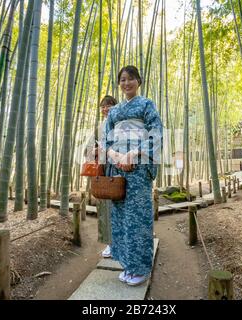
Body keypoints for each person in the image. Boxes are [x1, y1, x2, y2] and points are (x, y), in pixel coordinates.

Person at [104, 65, 163, 286]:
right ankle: (127, 264)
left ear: (139, 81)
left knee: (137, 217)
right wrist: (114, 155)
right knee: (120, 217)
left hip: (138, 168)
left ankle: (140, 268)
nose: (126, 83)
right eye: (122, 79)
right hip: (118, 166)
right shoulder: (114, 111)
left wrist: (134, 154)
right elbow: (106, 138)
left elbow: (156, 132)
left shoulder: (146, 104)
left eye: (131, 79)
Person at [85, 96, 118, 258]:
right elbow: (90, 147)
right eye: (103, 106)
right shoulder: (99, 127)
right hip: (103, 170)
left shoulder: (121, 124)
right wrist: (94, 151)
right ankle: (110, 244)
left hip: (118, 169)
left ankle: (121, 243)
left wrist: (105, 150)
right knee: (105, 207)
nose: (106, 109)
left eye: (109, 105)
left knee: (120, 207)